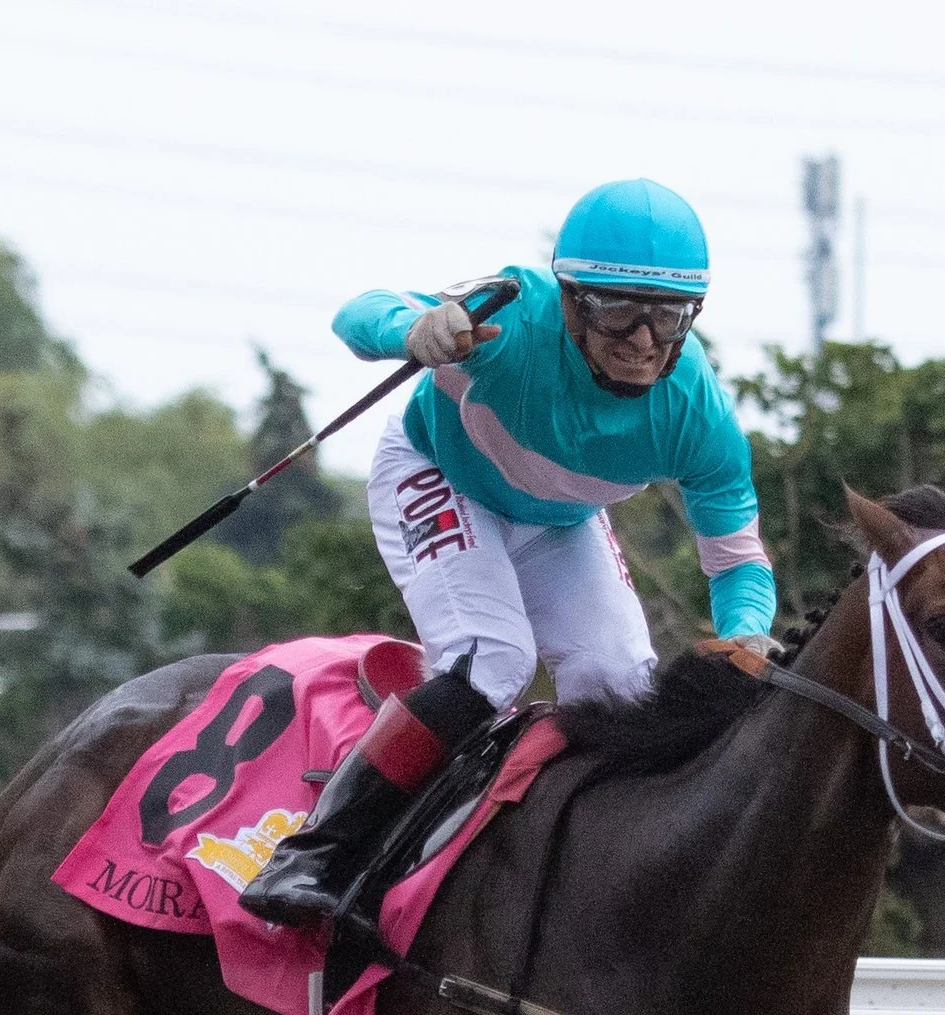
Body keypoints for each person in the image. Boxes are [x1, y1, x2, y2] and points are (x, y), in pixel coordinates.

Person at [241, 178, 777, 928]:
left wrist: (747, 632)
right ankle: (316, 853)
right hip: (439, 474)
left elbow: (739, 563)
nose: (644, 344)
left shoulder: (700, 414)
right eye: (619, 312)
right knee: (491, 659)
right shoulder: (513, 316)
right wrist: (412, 329)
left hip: (560, 518)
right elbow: (355, 312)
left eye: (668, 317)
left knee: (620, 682)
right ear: (568, 301)